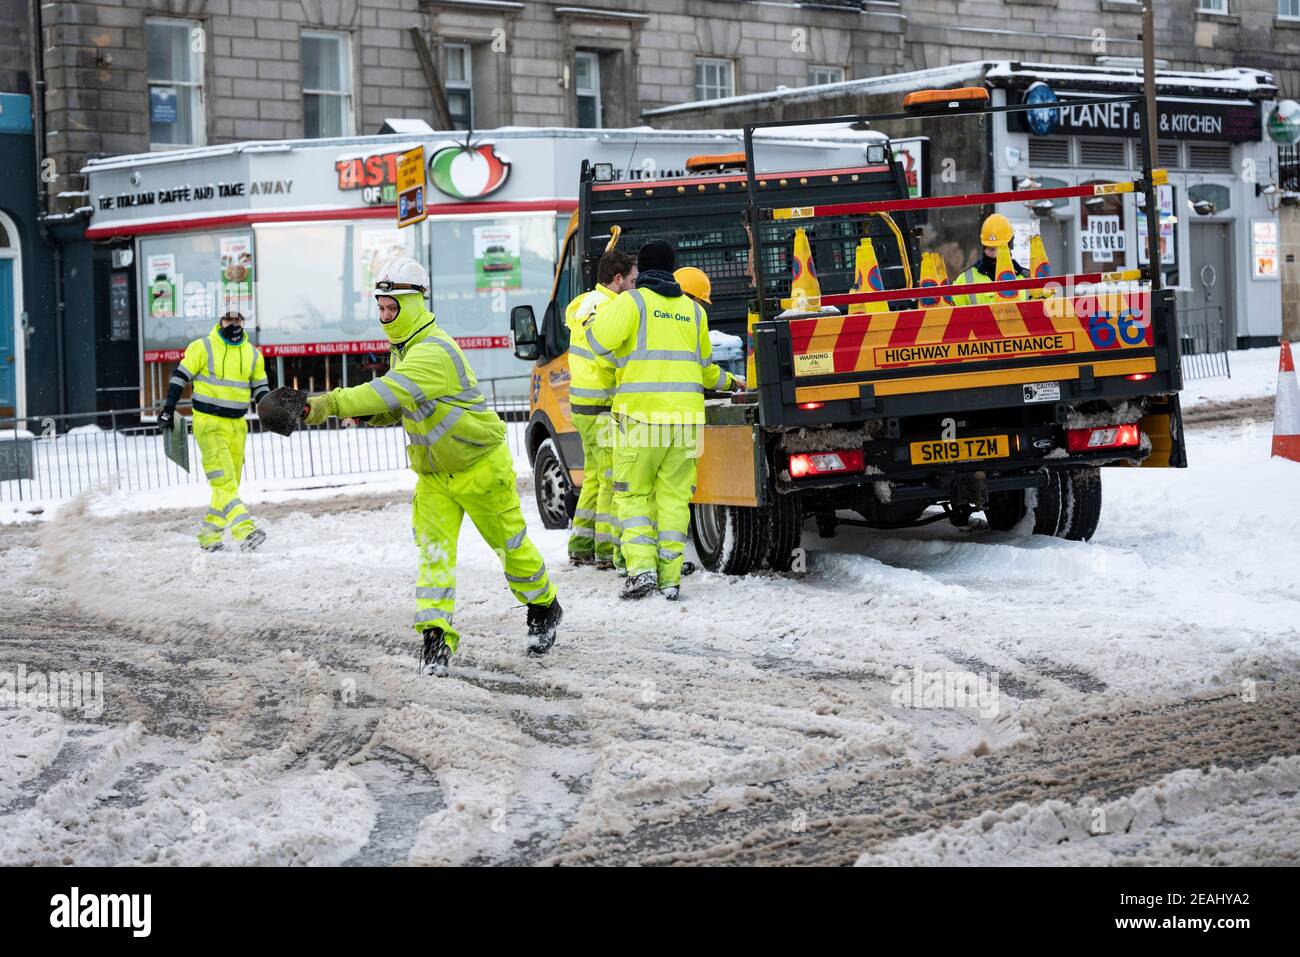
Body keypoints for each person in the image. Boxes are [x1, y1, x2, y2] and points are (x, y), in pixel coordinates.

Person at [303, 256, 561, 677]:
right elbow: (399, 403)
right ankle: (435, 640)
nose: (385, 317)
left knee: (511, 550)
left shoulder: (433, 351)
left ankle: (544, 606)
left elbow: (388, 390)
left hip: (478, 465)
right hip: (434, 476)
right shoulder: (403, 351)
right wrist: (371, 414)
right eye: (381, 308)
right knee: (434, 557)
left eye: (392, 309)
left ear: (415, 304)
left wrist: (325, 405)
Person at [589, 240, 742, 601]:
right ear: (673, 270)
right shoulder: (694, 312)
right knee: (674, 499)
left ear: (641, 270)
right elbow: (706, 372)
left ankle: (642, 570)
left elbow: (598, 343)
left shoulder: (633, 302)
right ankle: (670, 579)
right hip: (687, 423)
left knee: (633, 495)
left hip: (639, 418)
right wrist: (733, 382)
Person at [158, 311, 269, 552]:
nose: (234, 324)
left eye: (239, 320)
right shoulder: (202, 347)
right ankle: (246, 531)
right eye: (229, 320)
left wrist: (272, 406)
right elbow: (179, 378)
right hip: (208, 424)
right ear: (219, 322)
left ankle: (209, 537)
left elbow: (261, 389)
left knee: (228, 486)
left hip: (238, 426)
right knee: (224, 480)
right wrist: (168, 408)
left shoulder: (253, 354)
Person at [564, 248, 637, 572]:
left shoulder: (584, 303)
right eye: (633, 280)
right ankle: (606, 550)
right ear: (618, 279)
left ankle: (581, 545)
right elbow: (607, 356)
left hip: (581, 405)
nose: (635, 286)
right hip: (602, 404)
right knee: (609, 479)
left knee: (594, 477)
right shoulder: (610, 308)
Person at [951, 213, 1028, 307]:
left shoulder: (1027, 278)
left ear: (1010, 246)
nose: (995, 255)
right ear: (984, 247)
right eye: (991, 249)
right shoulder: (965, 280)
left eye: (1000, 248)